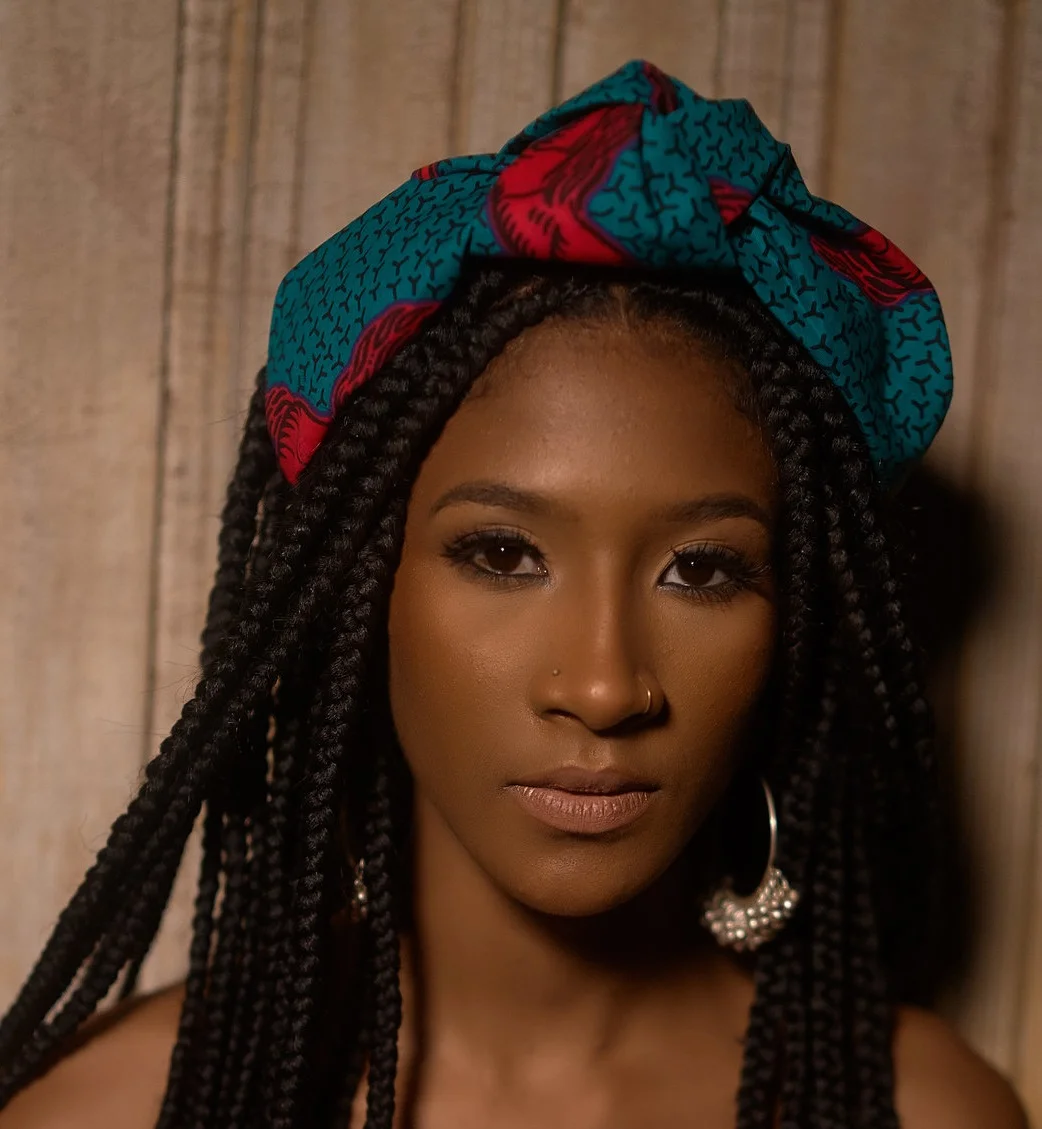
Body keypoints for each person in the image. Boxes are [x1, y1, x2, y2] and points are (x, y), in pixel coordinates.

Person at [0, 60, 1028, 1129]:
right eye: (500, 553)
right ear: (361, 590)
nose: (604, 686)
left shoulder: (920, 1111)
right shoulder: (112, 1113)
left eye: (702, 569)